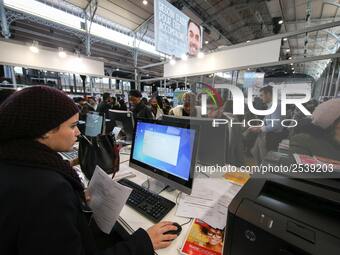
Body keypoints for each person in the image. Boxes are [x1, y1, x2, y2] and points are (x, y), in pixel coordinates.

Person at [0, 86, 179, 255]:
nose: (78, 132)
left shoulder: (15, 163)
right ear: (44, 130)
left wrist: (74, 198)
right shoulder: (47, 190)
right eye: (72, 126)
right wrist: (145, 241)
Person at [249, 85, 285, 164]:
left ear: (268, 94)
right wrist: (259, 126)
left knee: (265, 159)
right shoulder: (271, 105)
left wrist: (260, 129)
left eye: (262, 95)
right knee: (256, 152)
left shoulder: (276, 106)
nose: (260, 98)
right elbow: (266, 120)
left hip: (272, 137)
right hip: (269, 135)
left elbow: (276, 124)